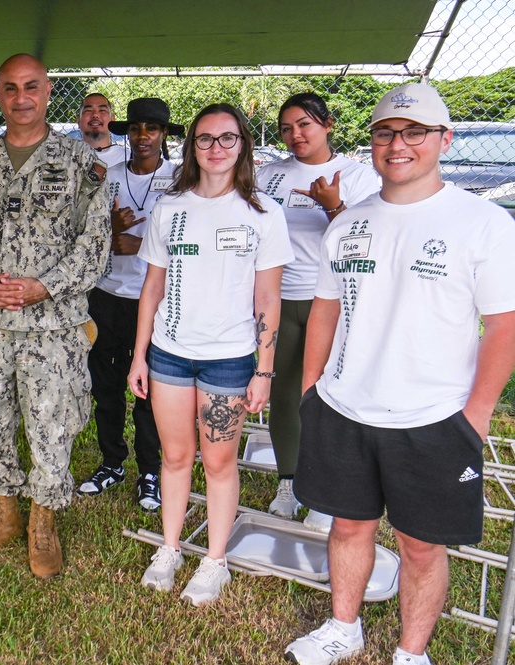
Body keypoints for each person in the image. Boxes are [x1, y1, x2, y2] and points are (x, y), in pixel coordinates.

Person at [284, 84, 515, 665]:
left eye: (416, 132)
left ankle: (412, 652)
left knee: (419, 545)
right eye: (386, 132)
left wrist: (476, 416)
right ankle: (344, 627)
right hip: (345, 406)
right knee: (348, 527)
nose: (399, 144)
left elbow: (505, 327)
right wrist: (312, 389)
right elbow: (325, 310)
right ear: (371, 142)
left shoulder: (482, 223)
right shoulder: (349, 224)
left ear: (445, 139)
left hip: (435, 417)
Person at [0, 54, 111, 579]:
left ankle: (42, 521)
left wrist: (45, 286)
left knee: (52, 424)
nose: (21, 98)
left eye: (31, 86)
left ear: (47, 89)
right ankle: (3, 515)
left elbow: (96, 244)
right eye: (10, 88)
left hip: (53, 327)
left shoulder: (80, 163)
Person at [128, 103, 292, 605]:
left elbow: (268, 298)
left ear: (242, 145)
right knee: (175, 457)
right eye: (205, 139)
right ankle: (171, 548)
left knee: (219, 462)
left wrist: (264, 369)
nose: (216, 148)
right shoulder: (170, 208)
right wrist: (140, 356)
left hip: (230, 358)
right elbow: (151, 288)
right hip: (170, 354)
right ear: (191, 147)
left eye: (226, 138)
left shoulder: (263, 213)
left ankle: (214, 560)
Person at [255, 93, 381, 529]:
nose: (295, 135)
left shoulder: (359, 177)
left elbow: (368, 241)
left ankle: (326, 492)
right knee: (285, 392)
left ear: (327, 124)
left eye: (305, 125)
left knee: (330, 396)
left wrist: (333, 206)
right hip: (280, 297)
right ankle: (289, 481)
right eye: (287, 128)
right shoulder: (270, 175)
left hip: (333, 301)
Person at [77, 97, 182, 512]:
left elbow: (192, 243)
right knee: (106, 386)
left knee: (150, 392)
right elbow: (78, 231)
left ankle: (150, 471)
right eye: (136, 128)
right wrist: (108, 230)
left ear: (163, 135)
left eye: (151, 129)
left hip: (154, 299)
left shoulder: (180, 180)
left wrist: (143, 246)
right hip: (106, 297)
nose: (142, 136)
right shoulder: (106, 175)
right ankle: (111, 463)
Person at [77, 92, 122, 160]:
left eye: (102, 110)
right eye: (88, 110)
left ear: (112, 119)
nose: (95, 115)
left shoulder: (128, 158)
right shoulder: (64, 158)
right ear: (78, 121)